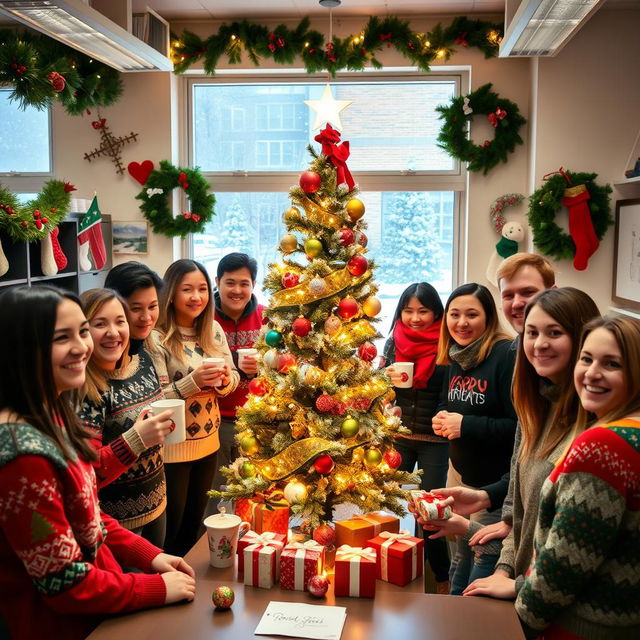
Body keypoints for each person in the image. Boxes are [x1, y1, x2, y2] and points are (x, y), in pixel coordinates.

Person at [0, 286, 195, 640]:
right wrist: (155, 588)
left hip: (103, 607)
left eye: (81, 332)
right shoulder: (21, 456)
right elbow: (66, 585)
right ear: (22, 349)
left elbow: (84, 511)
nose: (82, 347)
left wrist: (148, 555)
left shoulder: (51, 413)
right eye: (62, 337)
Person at [426, 289, 600, 601]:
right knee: (460, 576)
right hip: (512, 554)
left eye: (555, 332)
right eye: (531, 333)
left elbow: (573, 555)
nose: (539, 343)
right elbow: (522, 501)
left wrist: (516, 583)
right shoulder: (535, 406)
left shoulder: (592, 430)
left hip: (542, 597)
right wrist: (484, 499)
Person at [516, 314, 640, 639]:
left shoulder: (602, 446)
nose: (592, 373)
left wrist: (518, 624)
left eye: (612, 364)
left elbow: (564, 565)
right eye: (586, 359)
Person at [149, 259, 239, 556]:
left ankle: (187, 586)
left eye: (202, 289)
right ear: (171, 293)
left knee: (194, 525)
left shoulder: (212, 330)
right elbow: (158, 398)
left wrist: (224, 381)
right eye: (187, 289)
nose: (197, 297)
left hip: (208, 443)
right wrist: (194, 381)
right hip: (174, 447)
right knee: (171, 529)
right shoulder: (157, 336)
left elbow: (233, 379)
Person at [432, 282, 518, 594]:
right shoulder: (457, 353)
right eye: (454, 314)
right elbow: (448, 401)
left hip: (496, 488)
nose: (462, 323)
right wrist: (442, 417)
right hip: (464, 478)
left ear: (489, 318)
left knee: (478, 577)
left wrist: (466, 425)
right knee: (459, 564)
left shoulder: (505, 355)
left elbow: (518, 427)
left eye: (472, 314)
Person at [78, 288, 172, 546]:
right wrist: (136, 439)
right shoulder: (86, 390)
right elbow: (88, 474)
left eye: (120, 321)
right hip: (116, 525)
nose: (113, 332)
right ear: (82, 333)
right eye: (100, 324)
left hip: (156, 503)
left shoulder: (142, 361)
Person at [380, 282, 449, 593]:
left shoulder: (448, 342)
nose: (415, 317)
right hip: (402, 436)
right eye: (408, 310)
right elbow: (380, 387)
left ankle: (440, 577)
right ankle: (389, 564)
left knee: (431, 513)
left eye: (423, 311)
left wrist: (442, 415)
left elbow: (452, 390)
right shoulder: (394, 341)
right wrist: (385, 392)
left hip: (436, 442)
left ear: (436, 312)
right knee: (386, 502)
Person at [211, 252, 265, 492]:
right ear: (217, 282)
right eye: (229, 282)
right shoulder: (203, 318)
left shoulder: (267, 319)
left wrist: (260, 368)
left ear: (253, 285)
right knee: (213, 495)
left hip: (256, 421)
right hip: (214, 420)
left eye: (244, 284)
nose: (237, 290)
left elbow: (285, 367)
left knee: (253, 493)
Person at [104, 260, 164, 350]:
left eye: (152, 307)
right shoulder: (108, 352)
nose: (146, 318)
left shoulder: (160, 344)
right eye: (136, 309)